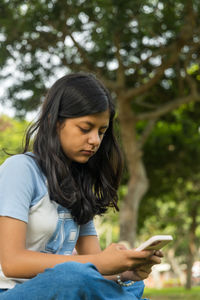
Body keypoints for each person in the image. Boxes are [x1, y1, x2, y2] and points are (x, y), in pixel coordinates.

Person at [0, 73, 162, 300]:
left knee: (130, 285)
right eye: (85, 128)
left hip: (66, 289)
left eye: (101, 131)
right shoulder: (21, 170)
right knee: (71, 275)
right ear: (55, 122)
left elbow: (95, 269)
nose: (95, 140)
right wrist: (99, 263)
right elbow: (12, 263)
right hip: (11, 292)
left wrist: (125, 271)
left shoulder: (78, 183)